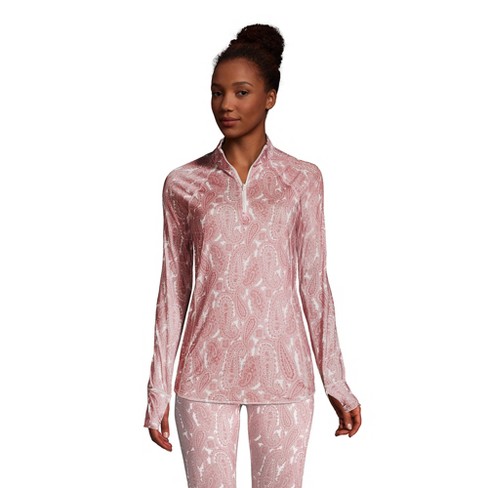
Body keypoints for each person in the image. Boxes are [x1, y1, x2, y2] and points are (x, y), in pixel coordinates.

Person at [144, 23, 362, 487]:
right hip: (203, 378)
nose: (226, 104)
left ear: (270, 97)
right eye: (217, 92)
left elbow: (314, 285)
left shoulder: (301, 180)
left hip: (284, 375)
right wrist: (158, 388)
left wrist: (335, 382)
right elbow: (173, 290)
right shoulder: (184, 184)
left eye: (241, 92)